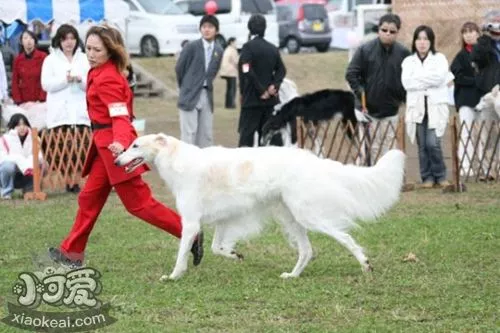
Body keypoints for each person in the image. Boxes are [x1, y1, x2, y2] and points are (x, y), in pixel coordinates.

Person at [48, 24, 203, 268]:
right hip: (104, 147)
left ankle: (190, 232)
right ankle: (71, 253)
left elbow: (119, 115)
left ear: (110, 51)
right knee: (89, 198)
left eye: (97, 50)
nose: (90, 54)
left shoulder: (108, 77)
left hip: (114, 149)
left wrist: (121, 143)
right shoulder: (98, 71)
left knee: (139, 205)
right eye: (87, 48)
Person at [345, 14, 410, 165]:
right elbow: (351, 74)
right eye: (384, 30)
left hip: (391, 110)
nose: (387, 33)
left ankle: (387, 179)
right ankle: (368, 179)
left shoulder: (403, 53)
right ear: (379, 30)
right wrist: (361, 93)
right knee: (370, 148)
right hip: (367, 110)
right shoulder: (365, 50)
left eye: (392, 31)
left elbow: (409, 78)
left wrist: (403, 98)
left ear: (397, 32)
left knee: (389, 148)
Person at [41, 24, 91, 193]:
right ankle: (68, 181)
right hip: (59, 112)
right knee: (62, 147)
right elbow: (46, 84)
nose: (69, 42)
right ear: (59, 41)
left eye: (72, 38)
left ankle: (77, 181)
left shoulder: (84, 59)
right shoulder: (50, 60)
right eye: (65, 39)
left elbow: (92, 83)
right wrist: (65, 80)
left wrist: (79, 80)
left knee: (82, 147)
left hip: (80, 111)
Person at [401, 25, 451, 188]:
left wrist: (420, 80)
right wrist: (427, 80)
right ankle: (427, 178)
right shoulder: (408, 61)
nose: (422, 43)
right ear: (414, 41)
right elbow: (407, 83)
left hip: (435, 106)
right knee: (422, 145)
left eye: (426, 39)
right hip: (417, 108)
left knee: (433, 143)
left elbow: (440, 78)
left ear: (431, 42)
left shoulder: (440, 59)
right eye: (419, 39)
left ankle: (440, 175)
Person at [238, 14, 287, 147]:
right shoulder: (272, 48)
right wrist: (274, 85)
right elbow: (281, 70)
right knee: (268, 137)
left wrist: (261, 90)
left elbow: (246, 69)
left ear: (249, 28)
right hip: (269, 101)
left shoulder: (248, 47)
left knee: (247, 136)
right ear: (265, 28)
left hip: (252, 100)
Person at [175, 15, 223, 148]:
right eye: (204, 27)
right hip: (189, 94)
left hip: (206, 94)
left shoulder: (218, 50)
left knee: (206, 135)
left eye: (210, 27)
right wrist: (185, 86)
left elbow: (213, 72)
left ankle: (204, 166)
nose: (207, 30)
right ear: (200, 29)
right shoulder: (191, 46)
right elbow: (180, 68)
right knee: (188, 134)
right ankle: (186, 165)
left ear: (216, 30)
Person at [450, 22, 482, 176]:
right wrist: (475, 80)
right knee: (466, 132)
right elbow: (457, 76)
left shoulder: (487, 54)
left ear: (478, 33)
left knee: (485, 133)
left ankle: (485, 166)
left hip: (483, 99)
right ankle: (466, 167)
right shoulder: (460, 56)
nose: (468, 35)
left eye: (472, 31)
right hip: (466, 99)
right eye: (465, 32)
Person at [0, 114, 45, 199]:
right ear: (12, 126)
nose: (22, 127)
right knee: (8, 166)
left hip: (28, 172)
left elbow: (39, 156)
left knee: (42, 165)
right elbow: (2, 158)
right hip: (10, 174)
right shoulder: (4, 139)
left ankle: (29, 189)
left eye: (24, 124)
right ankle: (6, 192)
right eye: (18, 125)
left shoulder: (34, 137)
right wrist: (19, 160)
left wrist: (29, 161)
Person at [11, 30, 47, 105]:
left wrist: (42, 99)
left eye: (31, 38)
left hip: (39, 99)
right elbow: (15, 81)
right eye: (25, 38)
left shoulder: (43, 57)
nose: (28, 41)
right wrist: (18, 100)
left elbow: (46, 79)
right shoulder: (17, 59)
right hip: (24, 99)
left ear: (35, 41)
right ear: (21, 42)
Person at [219, 37, 239, 109]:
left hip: (225, 71)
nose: (236, 44)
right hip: (231, 72)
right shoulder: (233, 50)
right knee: (232, 89)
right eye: (235, 42)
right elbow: (236, 62)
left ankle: (228, 104)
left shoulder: (227, 49)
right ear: (231, 42)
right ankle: (231, 104)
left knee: (229, 88)